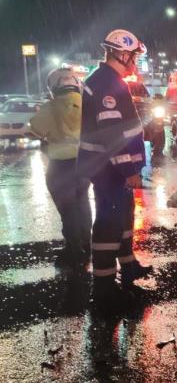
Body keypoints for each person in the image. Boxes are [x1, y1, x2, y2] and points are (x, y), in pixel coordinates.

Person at [77, 29, 152, 306]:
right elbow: (111, 136)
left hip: (112, 169)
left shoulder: (110, 80)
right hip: (108, 169)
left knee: (123, 217)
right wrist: (128, 171)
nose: (135, 62)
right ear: (121, 53)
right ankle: (105, 291)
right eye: (133, 56)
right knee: (109, 225)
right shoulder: (107, 84)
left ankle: (128, 266)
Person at [30, 68, 92, 267]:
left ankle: (74, 248)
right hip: (83, 163)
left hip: (59, 165)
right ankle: (86, 242)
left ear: (54, 87)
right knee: (82, 202)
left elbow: (36, 129)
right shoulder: (87, 104)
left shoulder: (51, 107)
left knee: (67, 208)